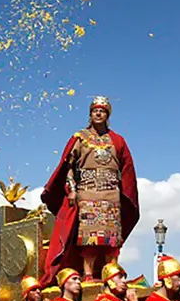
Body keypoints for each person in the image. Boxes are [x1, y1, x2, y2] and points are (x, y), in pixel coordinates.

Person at [40, 96, 140, 283]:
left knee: (111, 239)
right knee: (89, 238)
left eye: (102, 110)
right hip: (87, 193)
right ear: (90, 114)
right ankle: (87, 274)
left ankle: (112, 273)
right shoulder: (80, 138)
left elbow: (127, 169)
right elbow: (67, 166)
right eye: (95, 110)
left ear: (107, 115)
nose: (98, 113)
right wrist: (71, 190)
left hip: (111, 195)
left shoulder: (117, 140)